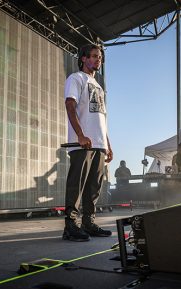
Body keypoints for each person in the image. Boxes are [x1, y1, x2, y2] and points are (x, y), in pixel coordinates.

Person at [63, 44, 113, 242]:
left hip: (99, 145)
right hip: (82, 143)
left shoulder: (99, 87)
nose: (97, 60)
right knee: (77, 185)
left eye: (99, 57)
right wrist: (80, 136)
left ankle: (88, 223)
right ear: (83, 58)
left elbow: (102, 119)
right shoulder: (76, 78)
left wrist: (108, 144)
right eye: (93, 56)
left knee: (94, 187)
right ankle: (71, 226)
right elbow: (70, 105)